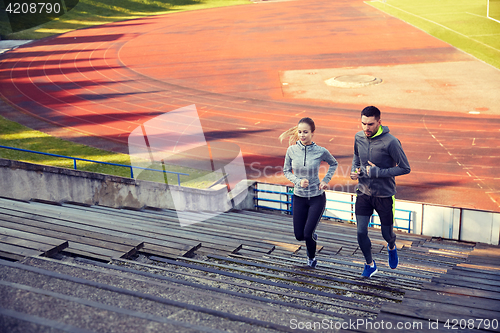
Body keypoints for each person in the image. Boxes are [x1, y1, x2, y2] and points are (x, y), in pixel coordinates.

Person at [350, 106, 411, 277]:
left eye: (370, 124)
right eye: (363, 123)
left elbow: (405, 168)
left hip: (384, 195)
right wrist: (355, 170)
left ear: (379, 122)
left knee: (387, 234)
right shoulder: (358, 137)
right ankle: (370, 264)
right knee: (361, 231)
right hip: (363, 192)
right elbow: (356, 156)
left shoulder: (391, 142)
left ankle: (392, 246)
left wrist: (379, 172)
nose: (366, 128)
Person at [281, 117, 338, 268]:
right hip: (299, 197)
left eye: (305, 132)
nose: (302, 135)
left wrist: (325, 180)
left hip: (316, 198)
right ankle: (311, 235)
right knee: (299, 236)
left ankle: (311, 260)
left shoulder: (320, 151)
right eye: (300, 132)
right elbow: (286, 170)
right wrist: (297, 180)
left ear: (313, 133)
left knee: (307, 235)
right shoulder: (291, 150)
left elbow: (334, 163)